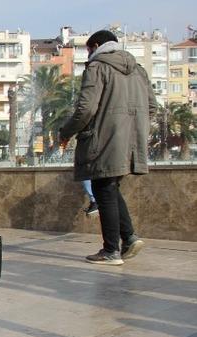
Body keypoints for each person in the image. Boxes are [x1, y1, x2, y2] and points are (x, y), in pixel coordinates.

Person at [59, 30, 155, 265]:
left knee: (103, 188)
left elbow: (86, 109)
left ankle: (111, 250)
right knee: (110, 187)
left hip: (104, 139)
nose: (88, 54)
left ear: (96, 46)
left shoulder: (97, 67)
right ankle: (129, 238)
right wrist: (134, 128)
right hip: (132, 141)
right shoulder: (138, 70)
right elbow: (152, 106)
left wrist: (66, 132)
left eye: (88, 49)